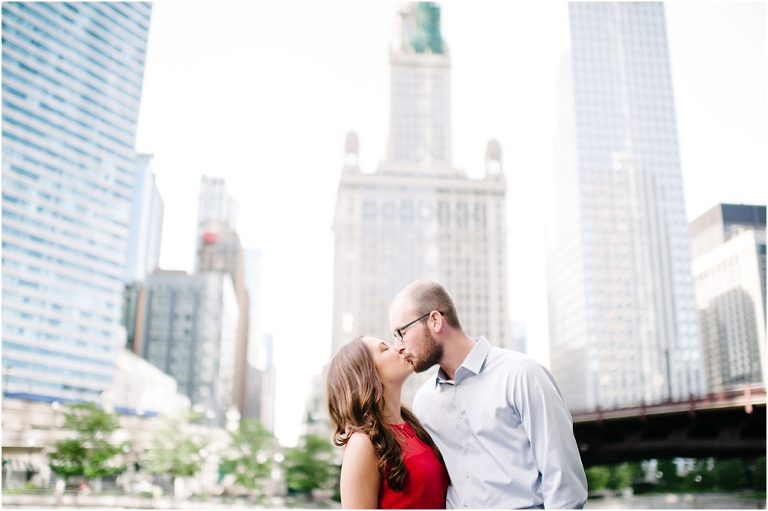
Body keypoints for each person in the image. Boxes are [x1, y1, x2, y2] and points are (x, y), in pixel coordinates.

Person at [390, 280, 588, 509]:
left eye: (401, 333)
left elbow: (563, 482)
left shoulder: (522, 375)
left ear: (435, 320)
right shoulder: (424, 402)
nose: (398, 346)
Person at [327, 336, 450, 509]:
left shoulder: (415, 426)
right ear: (367, 373)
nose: (398, 348)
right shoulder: (362, 443)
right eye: (384, 349)